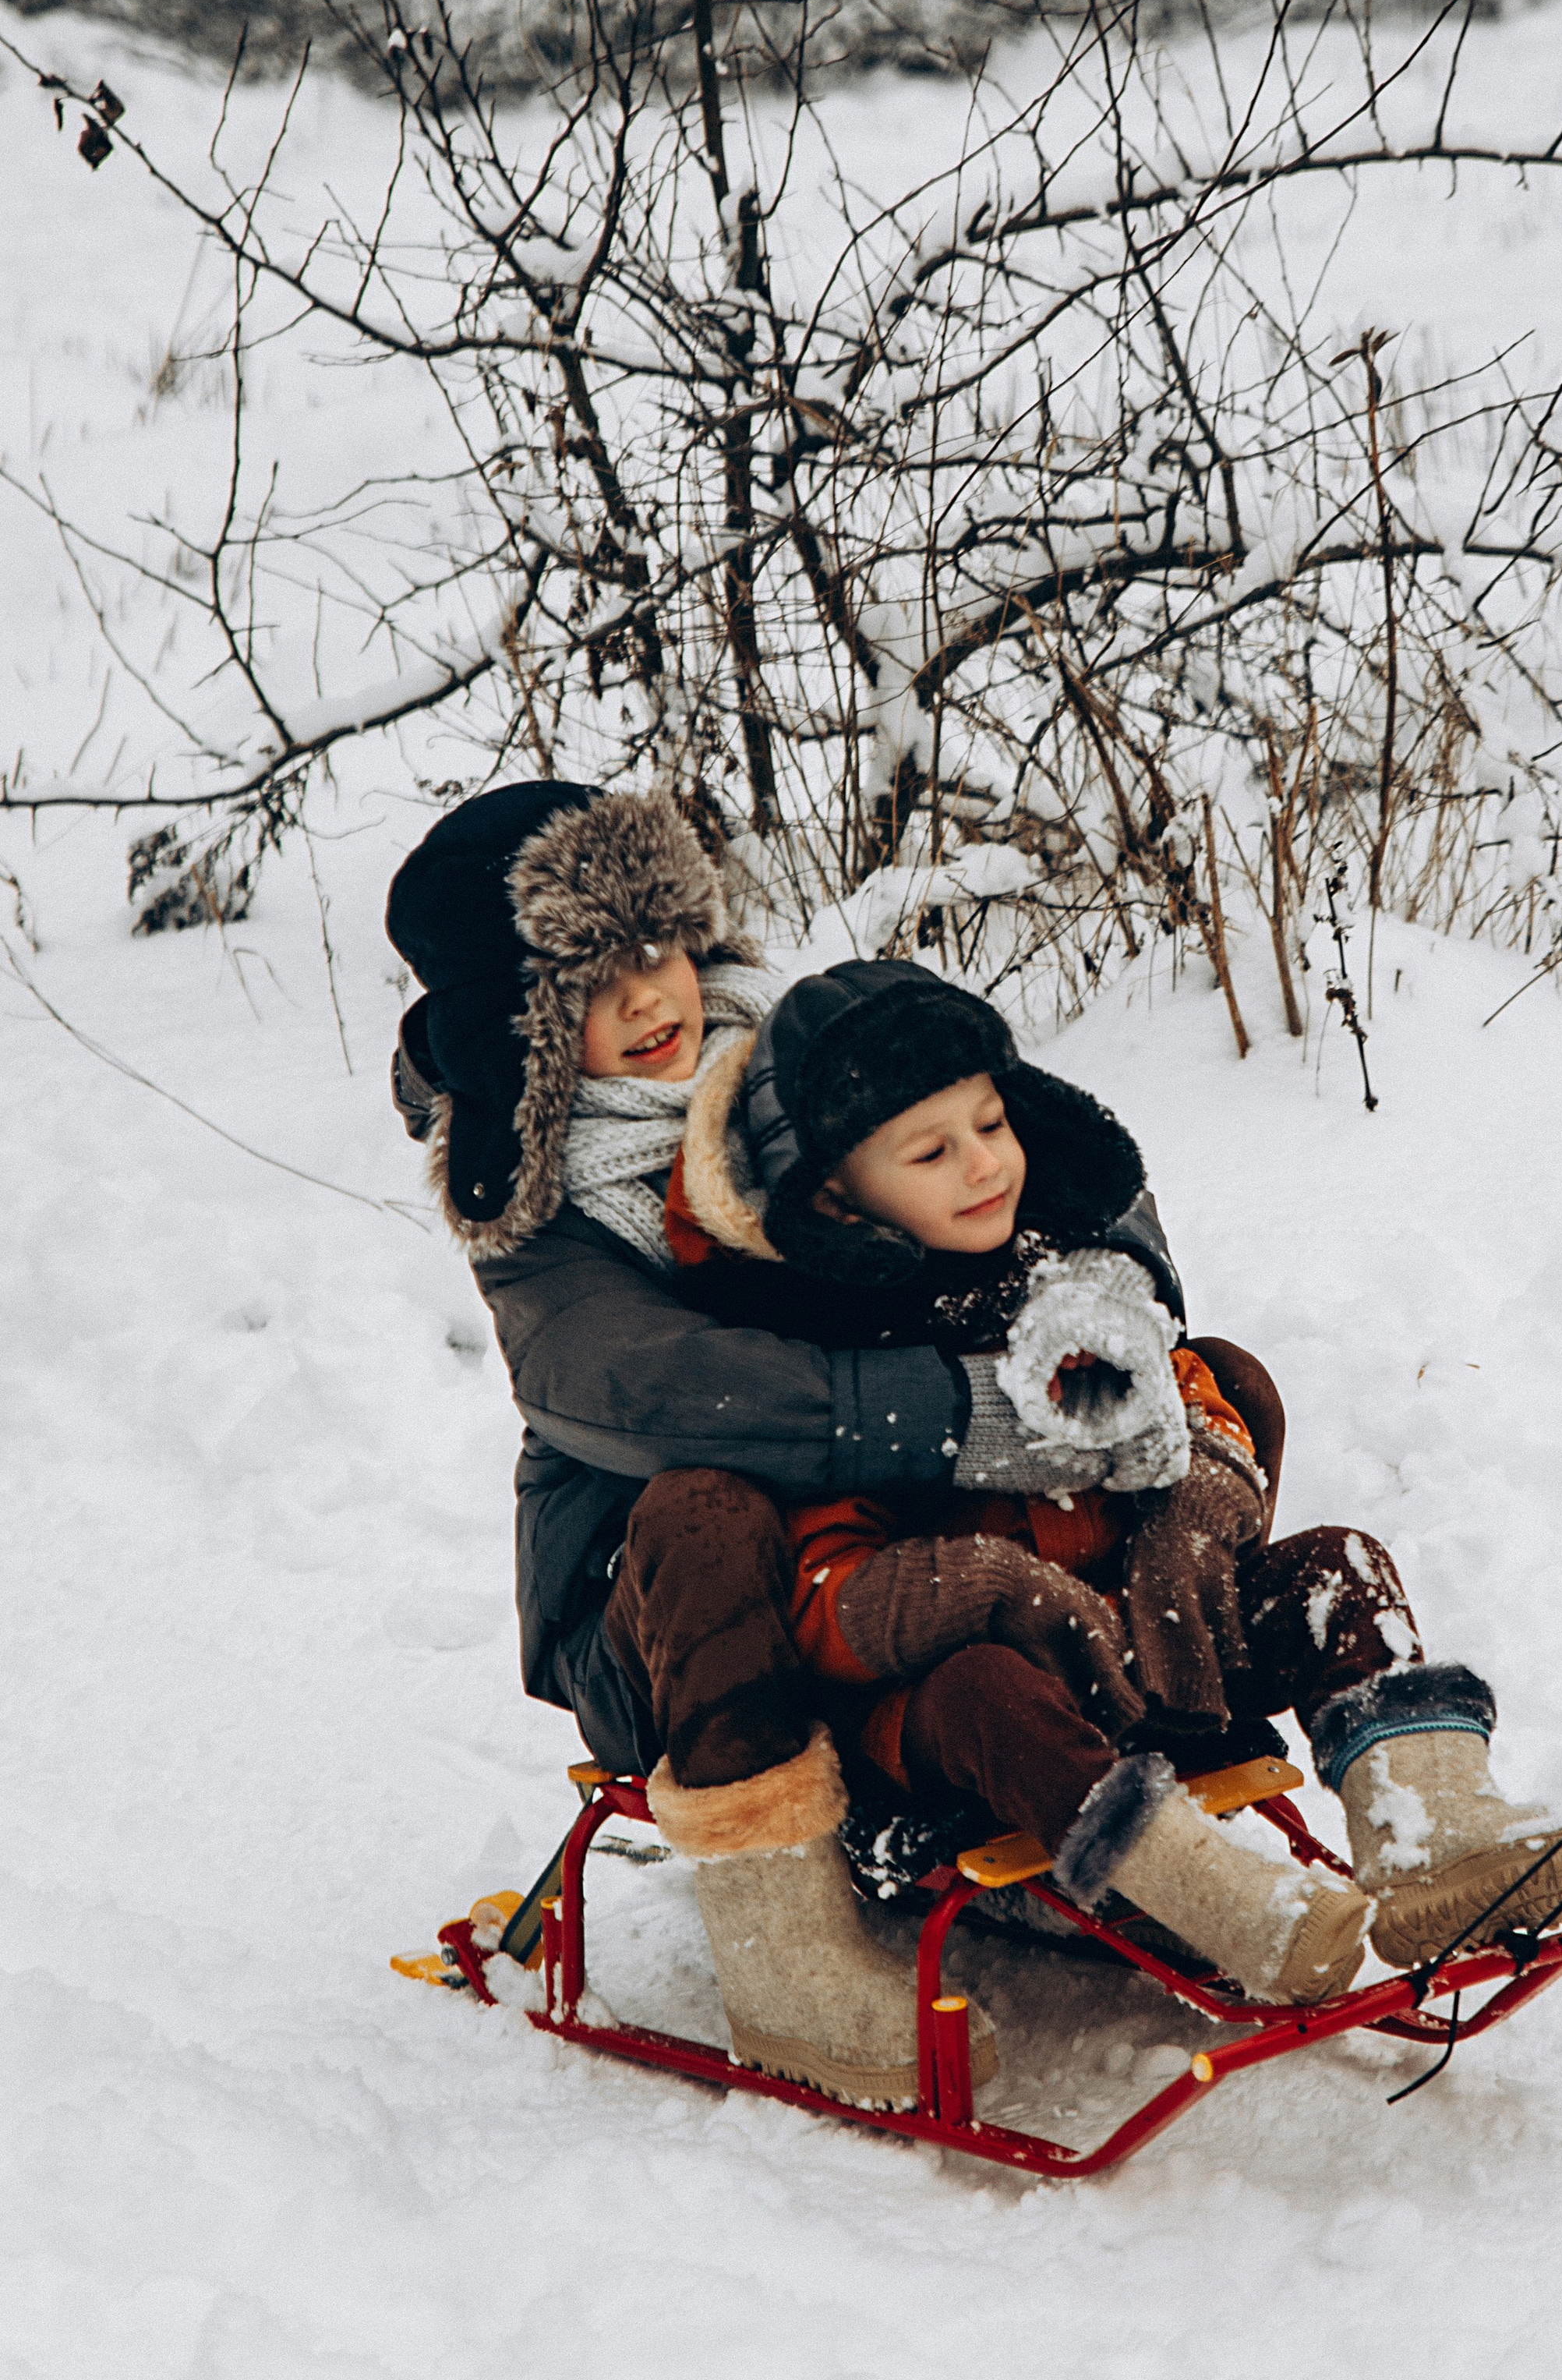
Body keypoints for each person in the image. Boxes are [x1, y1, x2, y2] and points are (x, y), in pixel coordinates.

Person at [386, 783, 1182, 2108]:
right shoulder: (535, 1211)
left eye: (665, 946)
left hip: (871, 1547)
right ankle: (785, 1946)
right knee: (709, 1502)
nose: (656, 997)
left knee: (1209, 1395)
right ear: (521, 1029)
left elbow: (1052, 1155)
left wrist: (1108, 1327)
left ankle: (1151, 1745)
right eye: (598, 979)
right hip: (661, 1608)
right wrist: (970, 1414)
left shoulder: (789, 1049)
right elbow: (651, 1387)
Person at [665, 957, 1562, 1990]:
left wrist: (1192, 1518)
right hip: (954, 1738)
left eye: (992, 1123)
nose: (983, 1164)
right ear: (838, 1197)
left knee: (1336, 1567)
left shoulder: (1069, 1275)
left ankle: (1433, 1829)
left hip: (1141, 1650)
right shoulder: (832, 1361)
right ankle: (1210, 1896)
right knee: (984, 1690)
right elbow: (818, 1593)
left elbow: (1193, 1392)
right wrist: (985, 1586)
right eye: (930, 1151)